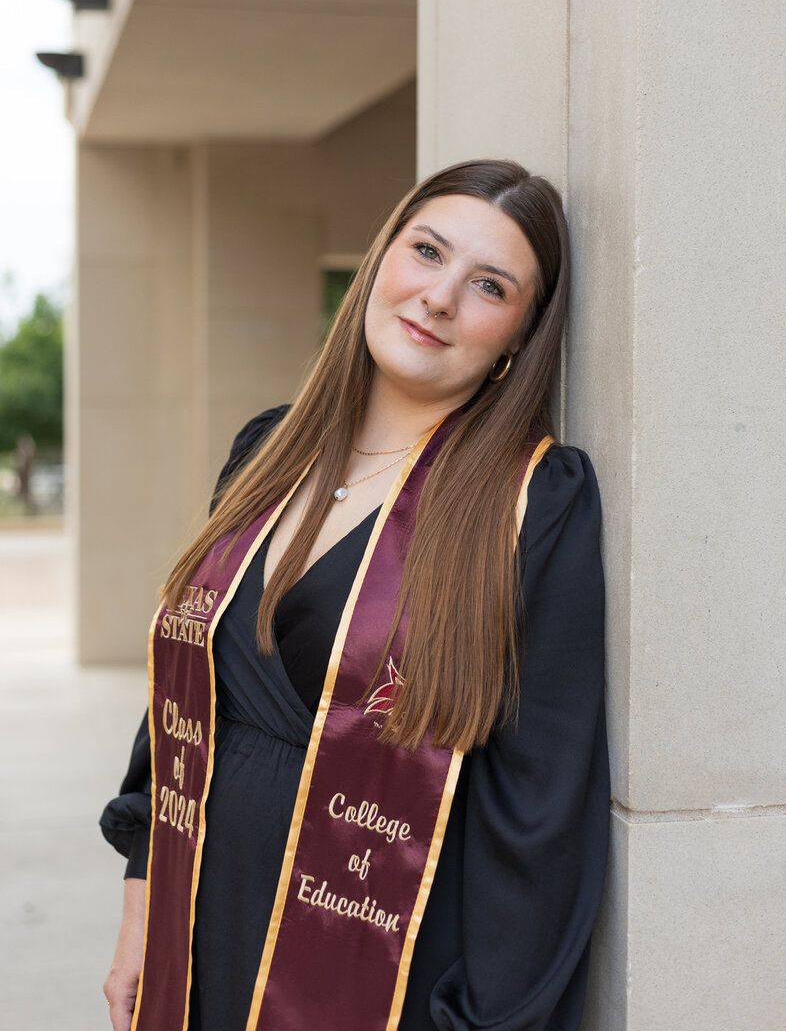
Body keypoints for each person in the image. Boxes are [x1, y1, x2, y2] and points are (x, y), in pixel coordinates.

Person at [101, 158, 610, 1031]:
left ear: (520, 336)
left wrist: (482, 1019)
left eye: (488, 285)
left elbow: (542, 807)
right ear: (381, 261)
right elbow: (179, 703)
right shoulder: (268, 451)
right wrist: (142, 905)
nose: (439, 297)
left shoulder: (530, 502)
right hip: (201, 929)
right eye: (427, 251)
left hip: (379, 961)